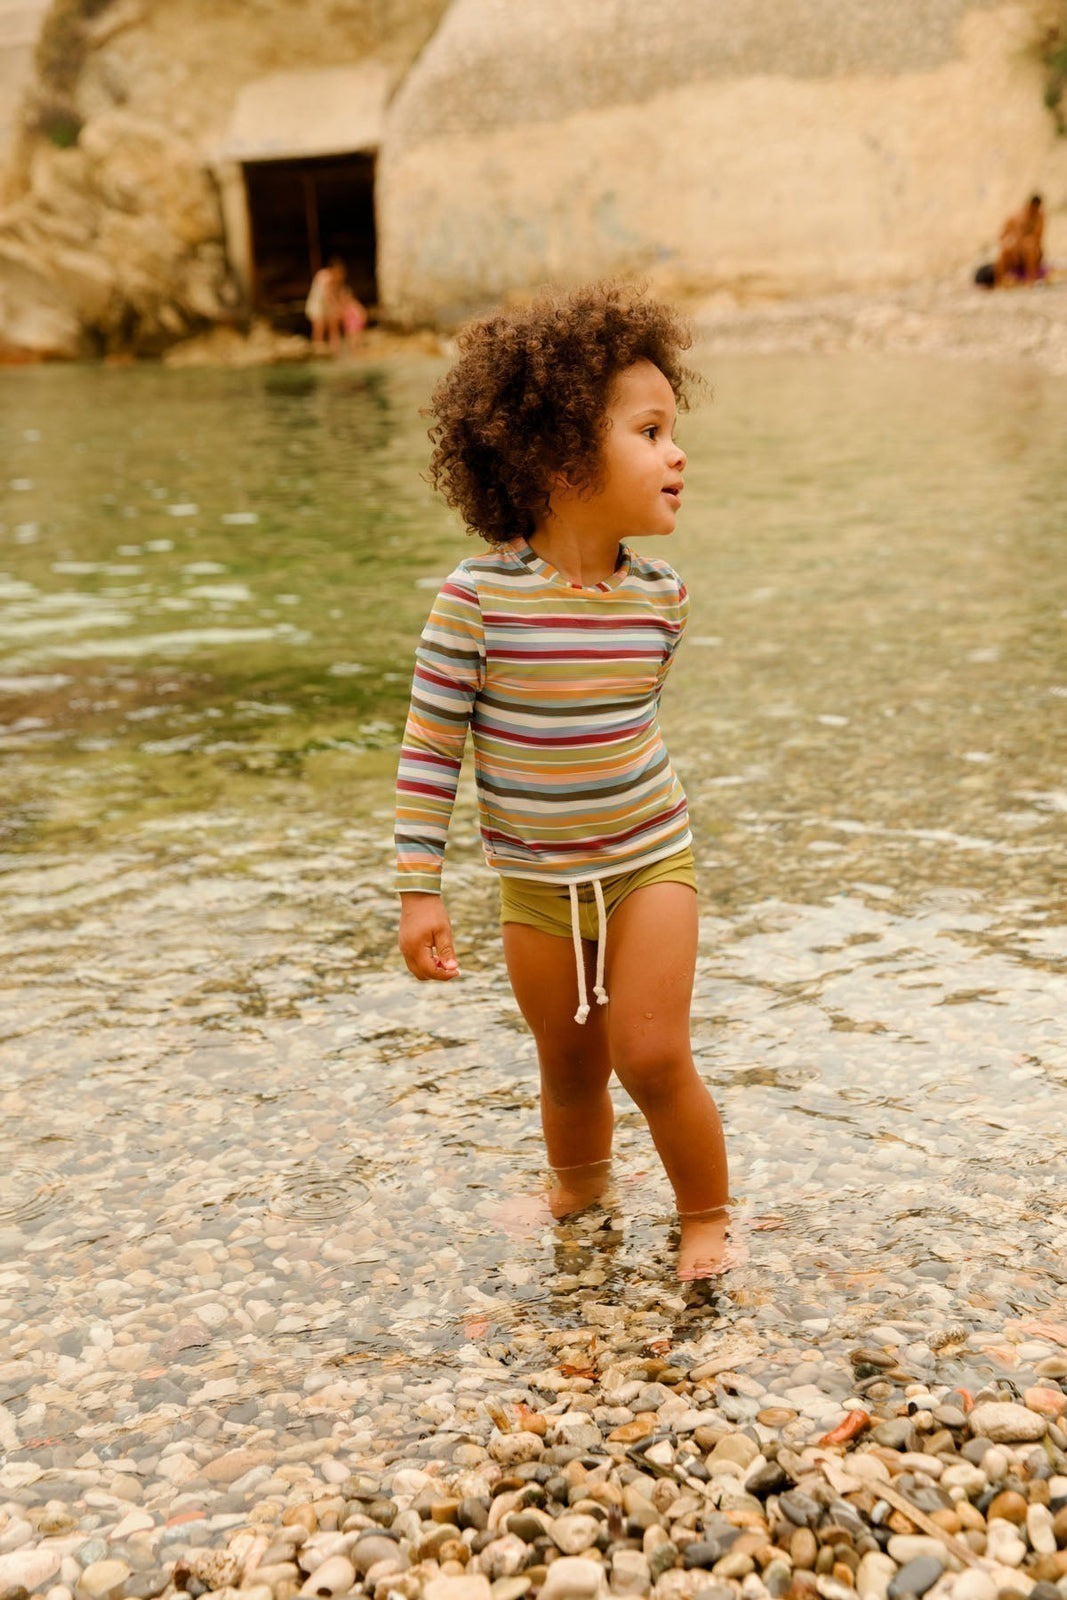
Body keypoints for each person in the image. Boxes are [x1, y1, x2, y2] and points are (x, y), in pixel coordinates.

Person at [394, 283, 735, 1280]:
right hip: (534, 885)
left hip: (648, 860)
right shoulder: (474, 602)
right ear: (557, 457)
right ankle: (579, 1192)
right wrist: (419, 889)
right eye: (649, 432)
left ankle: (707, 1215)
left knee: (651, 1055)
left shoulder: (661, 601)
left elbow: (627, 729)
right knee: (568, 1063)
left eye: (672, 430)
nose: (677, 454)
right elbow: (430, 749)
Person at [995, 194, 1045, 286]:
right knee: (1004, 250)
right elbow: (1002, 235)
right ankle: (1000, 281)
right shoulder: (1016, 216)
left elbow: (1038, 238)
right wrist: (1010, 242)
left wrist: (1027, 242)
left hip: (1030, 251)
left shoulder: (1039, 217)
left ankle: (1030, 279)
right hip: (1015, 250)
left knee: (1029, 247)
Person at [304, 257, 345, 347]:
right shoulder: (325, 276)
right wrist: (336, 307)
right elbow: (327, 295)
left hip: (326, 306)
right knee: (319, 328)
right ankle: (318, 349)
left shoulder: (334, 278)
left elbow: (335, 295)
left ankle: (334, 348)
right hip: (317, 305)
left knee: (333, 327)